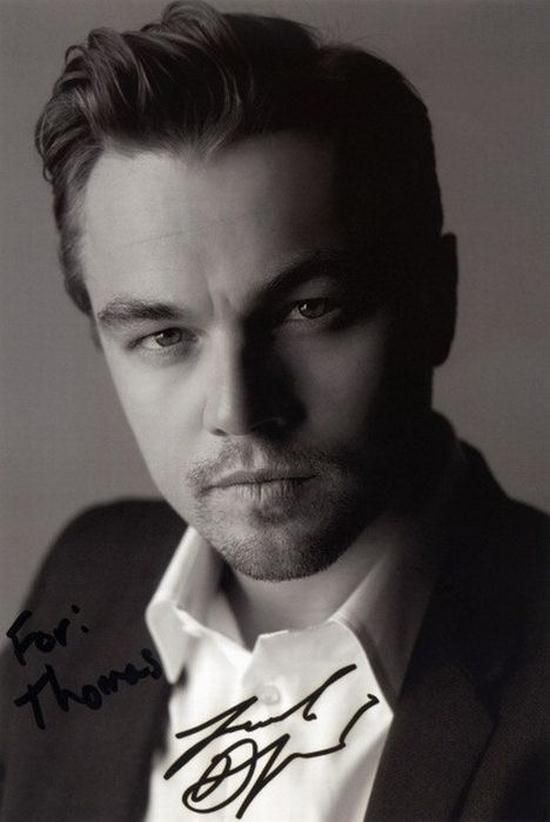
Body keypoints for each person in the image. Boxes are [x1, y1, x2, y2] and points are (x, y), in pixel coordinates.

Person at [1, 2, 548, 820]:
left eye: (307, 310)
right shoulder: (88, 577)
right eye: (164, 335)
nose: (239, 409)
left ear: (437, 300)